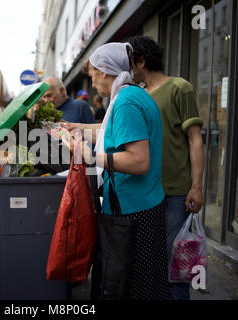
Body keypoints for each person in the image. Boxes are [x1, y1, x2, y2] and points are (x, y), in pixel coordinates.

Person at [65, 42, 170, 300]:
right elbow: (113, 131)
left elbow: (137, 161)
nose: (93, 84)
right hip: (144, 205)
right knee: (145, 287)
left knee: (128, 288)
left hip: (132, 214)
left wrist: (89, 156)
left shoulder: (125, 101)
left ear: (104, 71)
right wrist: (76, 127)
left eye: (92, 76)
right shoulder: (133, 95)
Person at [128, 35, 205, 300]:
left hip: (175, 193)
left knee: (176, 267)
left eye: (131, 65)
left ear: (141, 61)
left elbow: (195, 139)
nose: (128, 72)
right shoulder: (139, 95)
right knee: (152, 265)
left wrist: (196, 186)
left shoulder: (179, 88)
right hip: (147, 193)